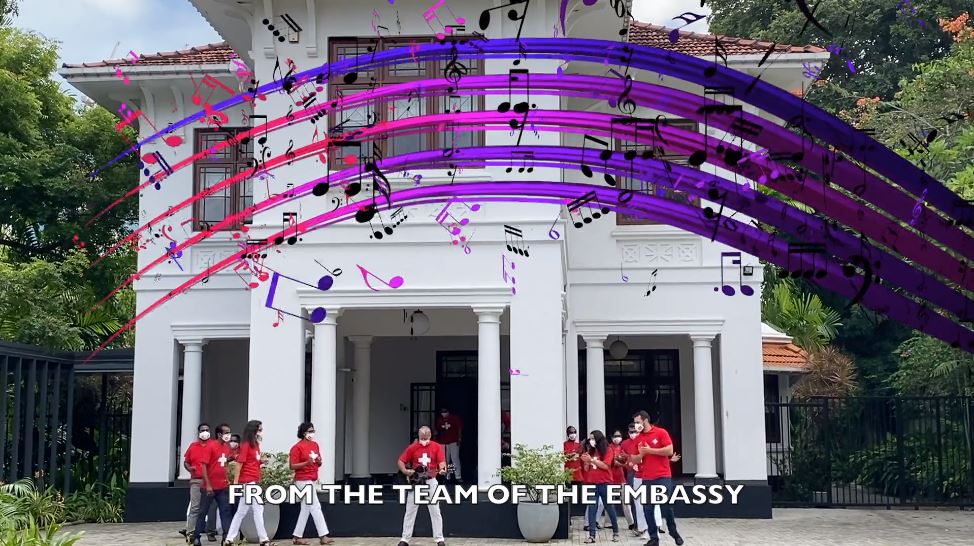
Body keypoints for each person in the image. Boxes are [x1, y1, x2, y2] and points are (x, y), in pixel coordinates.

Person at [631, 411, 683, 546]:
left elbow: (669, 450)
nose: (636, 425)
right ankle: (654, 538)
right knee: (647, 508)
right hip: (647, 478)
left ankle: (673, 532)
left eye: (638, 422)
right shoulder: (638, 439)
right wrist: (641, 455)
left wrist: (650, 451)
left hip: (662, 476)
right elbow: (634, 459)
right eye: (635, 423)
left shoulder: (660, 433)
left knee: (666, 506)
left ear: (645, 420)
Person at [224, 420, 276, 546]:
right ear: (253, 430)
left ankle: (230, 539)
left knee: (242, 511)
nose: (261, 432)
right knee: (258, 508)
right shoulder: (246, 444)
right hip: (248, 481)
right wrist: (236, 482)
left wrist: (262, 462)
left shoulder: (255, 444)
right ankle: (263, 539)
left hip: (252, 480)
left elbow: (253, 461)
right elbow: (240, 463)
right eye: (259, 429)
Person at [397, 426, 447, 546]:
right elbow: (400, 461)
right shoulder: (413, 447)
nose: (424, 440)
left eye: (425, 438)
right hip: (417, 482)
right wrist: (405, 471)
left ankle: (439, 539)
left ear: (430, 436)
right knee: (410, 510)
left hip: (431, 480)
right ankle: (405, 538)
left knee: (435, 510)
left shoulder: (436, 447)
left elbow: (442, 462)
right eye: (421, 438)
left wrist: (442, 470)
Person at [289, 422, 334, 545]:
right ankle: (323, 535)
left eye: (313, 431)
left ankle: (297, 536)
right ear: (303, 433)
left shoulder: (315, 445)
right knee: (315, 506)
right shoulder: (297, 448)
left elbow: (319, 463)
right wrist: (306, 463)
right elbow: (292, 466)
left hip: (312, 479)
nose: (312, 433)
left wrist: (318, 461)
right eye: (309, 431)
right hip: (303, 480)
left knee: (305, 508)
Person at [193, 424, 234, 546]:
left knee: (225, 511)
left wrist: (227, 479)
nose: (228, 435)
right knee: (203, 512)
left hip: (222, 486)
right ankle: (196, 537)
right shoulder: (210, 446)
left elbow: (223, 464)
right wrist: (208, 485)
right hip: (208, 487)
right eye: (226, 433)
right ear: (219, 434)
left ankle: (226, 537)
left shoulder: (226, 447)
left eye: (229, 432)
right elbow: (204, 466)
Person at [580, 430, 619, 543]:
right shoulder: (591, 451)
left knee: (609, 508)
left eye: (593, 438)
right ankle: (592, 535)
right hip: (592, 483)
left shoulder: (608, 450)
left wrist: (591, 460)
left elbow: (606, 466)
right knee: (592, 509)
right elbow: (587, 469)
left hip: (605, 483)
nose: (591, 441)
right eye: (590, 439)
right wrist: (586, 462)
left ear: (598, 439)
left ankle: (615, 532)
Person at [181, 423, 216, 542]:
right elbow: (186, 461)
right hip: (196, 480)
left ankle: (211, 532)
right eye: (202, 430)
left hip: (211, 481)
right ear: (198, 432)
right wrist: (189, 468)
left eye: (207, 430)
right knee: (195, 507)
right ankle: (190, 533)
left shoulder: (214, 445)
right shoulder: (193, 446)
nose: (205, 432)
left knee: (211, 507)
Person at [609, 429, 635, 529]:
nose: (617, 438)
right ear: (611, 437)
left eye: (619, 436)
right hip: (611, 478)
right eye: (615, 436)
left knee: (626, 501)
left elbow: (627, 458)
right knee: (610, 502)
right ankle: (609, 523)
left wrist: (625, 462)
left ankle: (631, 522)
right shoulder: (609, 448)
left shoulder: (622, 447)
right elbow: (613, 462)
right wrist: (624, 465)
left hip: (621, 478)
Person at [434, 408, 462, 483]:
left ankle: (458, 476)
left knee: (455, 459)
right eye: (442, 412)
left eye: (445, 411)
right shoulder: (440, 420)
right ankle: (447, 476)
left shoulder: (454, 418)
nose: (443, 413)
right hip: (443, 442)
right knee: (445, 460)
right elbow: (437, 430)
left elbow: (459, 428)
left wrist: (459, 439)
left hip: (453, 441)